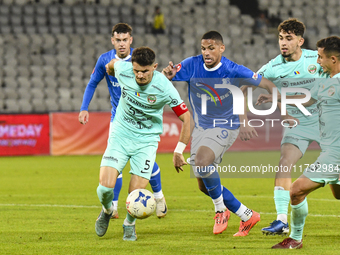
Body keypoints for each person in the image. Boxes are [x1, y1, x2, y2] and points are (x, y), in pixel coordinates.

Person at [162, 31, 278, 236]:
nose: (206, 52)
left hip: (226, 124)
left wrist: (268, 98)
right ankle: (247, 214)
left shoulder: (234, 70)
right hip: (202, 127)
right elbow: (169, 75)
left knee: (204, 162)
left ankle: (220, 211)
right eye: (203, 48)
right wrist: (167, 75)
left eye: (211, 48)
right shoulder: (191, 65)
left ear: (221, 48)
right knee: (204, 185)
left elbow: (266, 83)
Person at [95, 46, 192, 241]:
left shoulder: (164, 87)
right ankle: (106, 211)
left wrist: (179, 150)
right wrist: (111, 69)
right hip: (120, 135)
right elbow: (112, 65)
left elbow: (187, 119)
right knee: (105, 188)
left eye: (145, 71)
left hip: (146, 142)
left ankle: (129, 224)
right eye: (136, 70)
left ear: (154, 67)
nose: (139, 75)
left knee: (136, 192)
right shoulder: (124, 69)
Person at [258, 36, 340, 249]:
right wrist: (274, 99)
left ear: (333, 59)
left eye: (320, 57)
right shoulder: (328, 81)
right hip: (331, 150)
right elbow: (306, 99)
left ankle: (295, 239)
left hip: (335, 153)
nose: (318, 61)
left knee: (295, 190)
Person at [79, 23, 168, 219]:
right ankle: (114, 206)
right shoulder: (105, 60)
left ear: (131, 40)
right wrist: (84, 108)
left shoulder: (138, 60)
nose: (121, 44)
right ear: (112, 41)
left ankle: (159, 197)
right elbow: (93, 83)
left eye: (125, 40)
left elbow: (154, 82)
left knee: (147, 163)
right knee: (114, 163)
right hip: (118, 120)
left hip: (142, 119)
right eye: (117, 40)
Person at [250, 18, 325, 235]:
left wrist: (278, 97)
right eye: (281, 38)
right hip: (298, 123)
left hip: (325, 121)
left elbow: (312, 97)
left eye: (289, 39)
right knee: (284, 163)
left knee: (336, 188)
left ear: (300, 41)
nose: (283, 43)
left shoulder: (315, 59)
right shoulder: (273, 66)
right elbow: (248, 82)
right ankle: (281, 221)